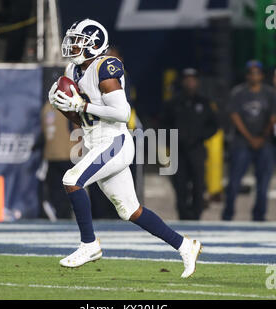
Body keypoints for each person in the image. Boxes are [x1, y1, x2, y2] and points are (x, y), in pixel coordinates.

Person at [48, 19, 202, 278]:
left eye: (78, 41)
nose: (72, 45)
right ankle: (185, 245)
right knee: (130, 210)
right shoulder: (72, 69)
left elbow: (122, 113)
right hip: (93, 140)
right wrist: (63, 106)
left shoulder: (105, 66)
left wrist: (82, 105)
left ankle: (89, 245)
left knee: (71, 179)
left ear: (94, 44)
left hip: (114, 141)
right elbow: (83, 121)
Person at [222, 60, 276, 221]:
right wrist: (251, 138)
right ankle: (228, 214)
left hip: (264, 141)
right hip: (242, 142)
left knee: (263, 182)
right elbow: (235, 116)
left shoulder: (270, 93)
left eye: (257, 73)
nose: (254, 76)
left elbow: (273, 117)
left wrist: (262, 136)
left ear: (261, 75)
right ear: (247, 75)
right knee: (234, 181)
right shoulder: (238, 93)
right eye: (251, 73)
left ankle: (259, 216)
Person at [162, 68, 219, 220]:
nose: (190, 82)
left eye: (193, 79)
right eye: (187, 79)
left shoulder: (205, 103)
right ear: (182, 82)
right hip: (178, 150)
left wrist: (199, 136)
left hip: (197, 149)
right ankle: (183, 215)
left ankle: (196, 214)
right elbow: (162, 125)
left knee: (198, 183)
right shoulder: (173, 103)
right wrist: (174, 137)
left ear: (198, 82)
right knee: (180, 184)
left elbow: (214, 125)